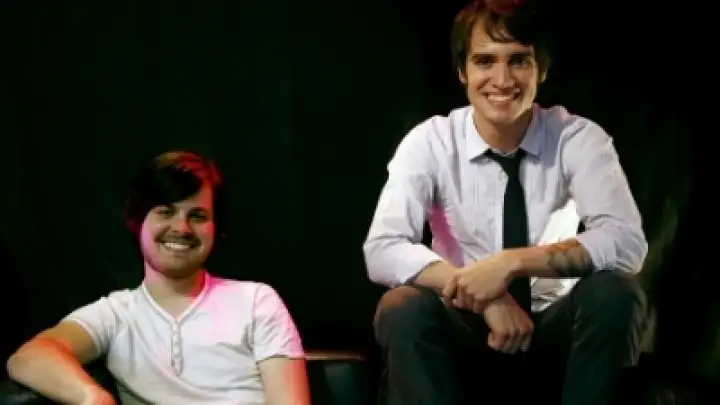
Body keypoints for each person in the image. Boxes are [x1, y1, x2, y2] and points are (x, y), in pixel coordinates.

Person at [363, 1, 648, 405]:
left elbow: (626, 242)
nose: (501, 79)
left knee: (615, 292)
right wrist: (487, 295)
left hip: (554, 334)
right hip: (465, 333)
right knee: (401, 307)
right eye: (485, 61)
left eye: (518, 61)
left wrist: (511, 263)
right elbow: (383, 248)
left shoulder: (577, 138)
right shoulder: (431, 141)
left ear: (541, 70)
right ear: (462, 71)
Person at [6, 151, 310, 405]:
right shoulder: (116, 315)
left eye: (197, 216)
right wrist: (92, 397)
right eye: (165, 212)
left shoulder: (256, 301)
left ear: (216, 229)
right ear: (137, 221)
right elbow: (28, 357)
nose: (181, 228)